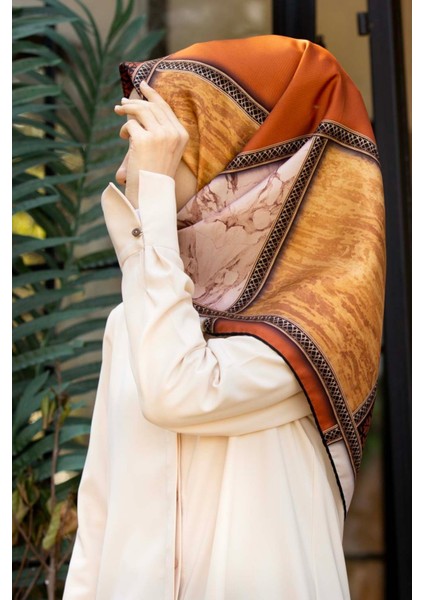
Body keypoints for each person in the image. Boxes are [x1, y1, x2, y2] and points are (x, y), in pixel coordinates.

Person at [63, 35, 385, 599]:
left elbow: (178, 390)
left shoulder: (309, 335)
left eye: (156, 147)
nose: (128, 171)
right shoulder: (134, 318)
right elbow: (97, 520)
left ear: (238, 165)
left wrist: (152, 205)